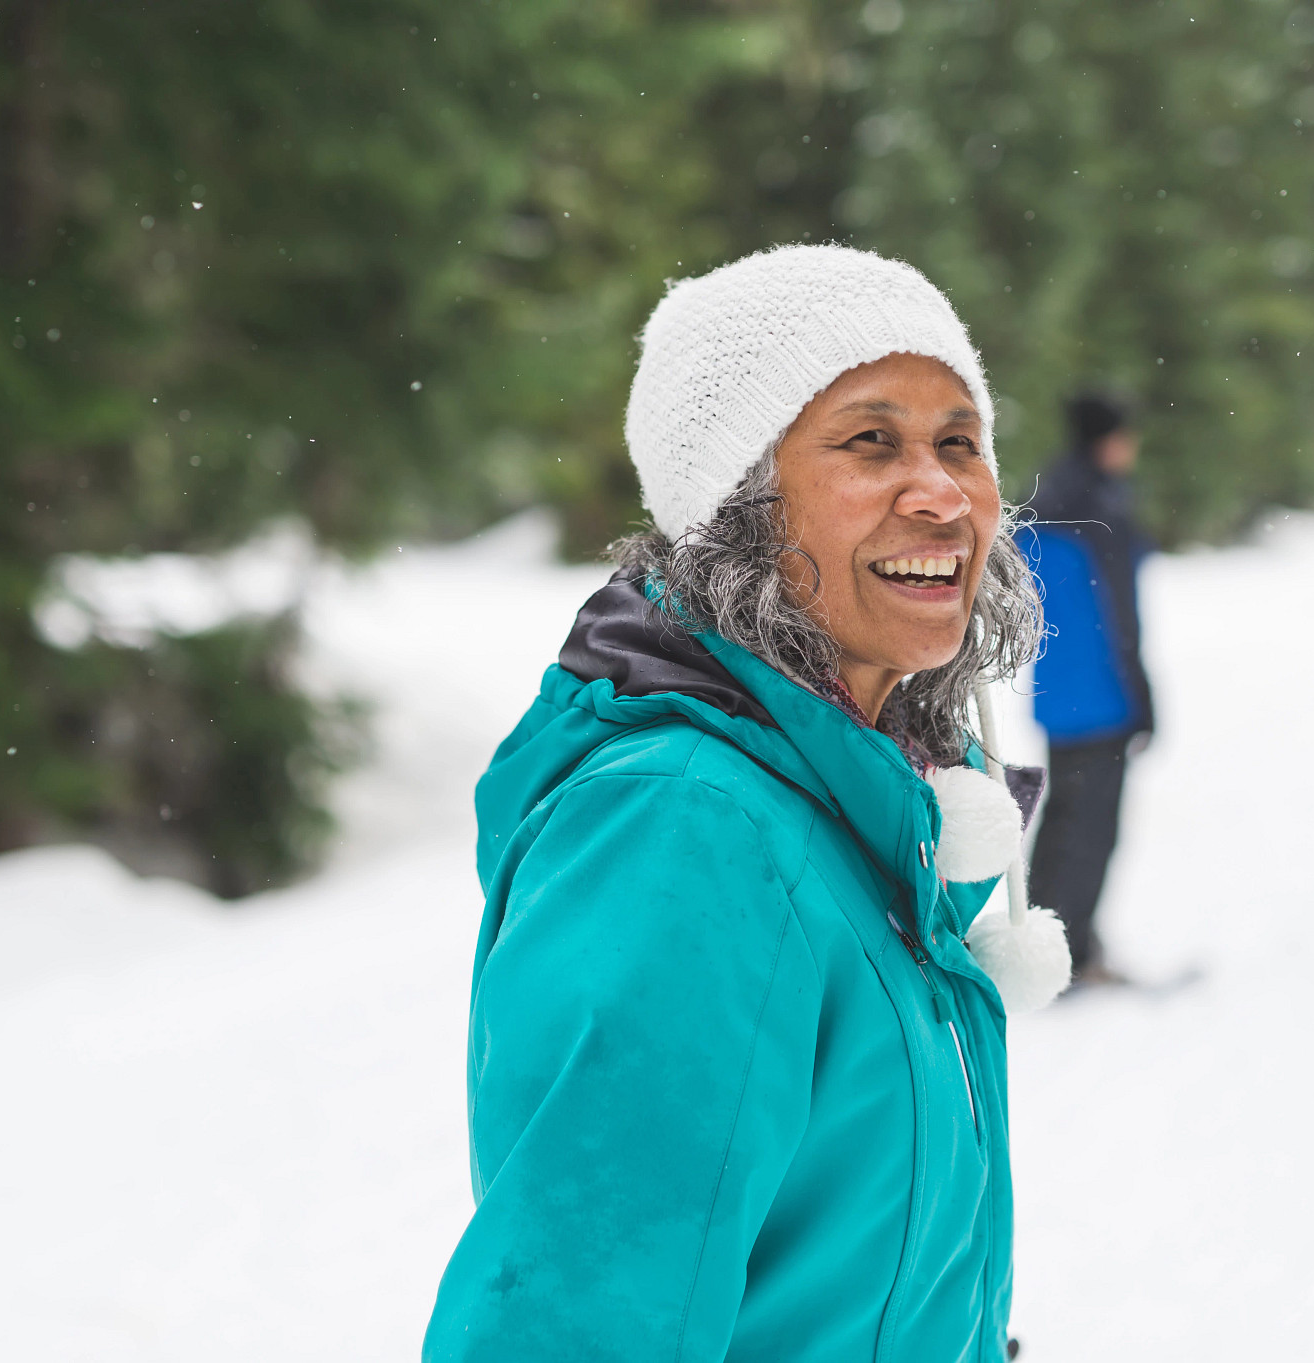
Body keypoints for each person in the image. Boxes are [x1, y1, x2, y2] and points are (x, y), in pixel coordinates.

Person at [424, 245, 1070, 1361]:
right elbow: (571, 1324)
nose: (942, 493)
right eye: (870, 441)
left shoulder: (869, 799)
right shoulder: (686, 828)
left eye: (958, 442)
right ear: (736, 503)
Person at [1014, 392, 1155, 986]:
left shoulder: (1044, 496)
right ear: (1107, 438)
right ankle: (1073, 958)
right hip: (1103, 697)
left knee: (1063, 826)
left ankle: (1048, 947)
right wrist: (1144, 700)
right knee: (1092, 830)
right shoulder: (1102, 509)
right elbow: (1119, 621)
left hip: (1059, 695)